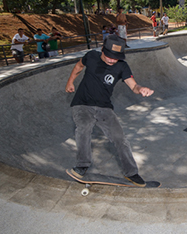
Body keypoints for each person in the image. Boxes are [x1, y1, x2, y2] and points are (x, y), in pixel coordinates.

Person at [65, 34, 154, 187]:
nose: (112, 60)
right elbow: (79, 66)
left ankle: (131, 173)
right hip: (82, 104)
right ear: (102, 50)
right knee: (84, 126)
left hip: (104, 107)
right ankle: (82, 165)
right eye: (109, 57)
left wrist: (141, 89)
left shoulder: (122, 66)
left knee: (120, 138)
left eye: (116, 58)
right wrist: (70, 82)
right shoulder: (91, 56)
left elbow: (133, 86)